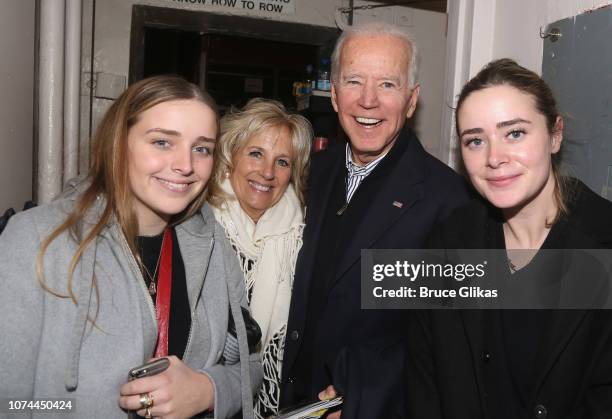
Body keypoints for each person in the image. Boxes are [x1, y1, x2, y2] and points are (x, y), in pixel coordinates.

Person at [0, 75, 262, 418]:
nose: (185, 165)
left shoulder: (214, 246)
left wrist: (206, 390)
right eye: (162, 142)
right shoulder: (35, 240)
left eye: (202, 149)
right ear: (119, 143)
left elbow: (250, 367)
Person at [279, 22, 471, 417]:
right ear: (333, 94)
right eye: (354, 81)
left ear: (412, 100)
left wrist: (364, 393)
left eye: (387, 84)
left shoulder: (449, 202)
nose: (368, 101)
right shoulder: (307, 173)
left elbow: (448, 340)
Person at [406, 59, 612, 418]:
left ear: (555, 134)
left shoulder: (603, 240)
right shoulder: (446, 244)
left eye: (514, 133)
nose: (494, 158)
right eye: (475, 140)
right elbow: (424, 385)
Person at [207, 98, 312, 418]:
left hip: (278, 402)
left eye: (282, 162)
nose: (267, 172)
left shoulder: (304, 235)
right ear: (230, 156)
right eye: (256, 154)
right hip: (205, 396)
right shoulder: (198, 226)